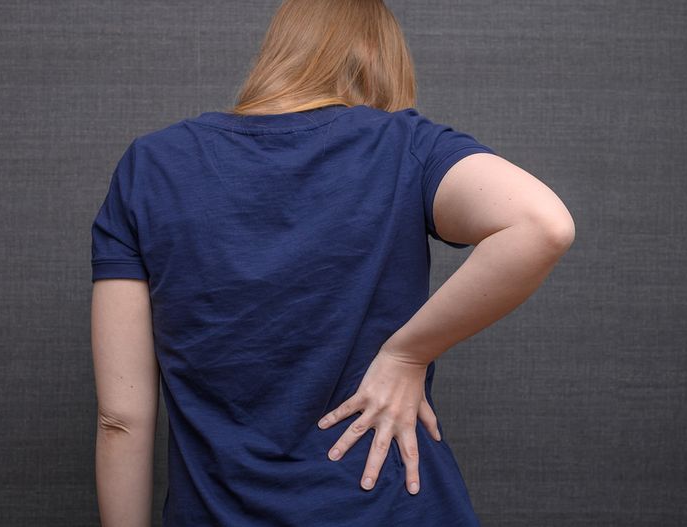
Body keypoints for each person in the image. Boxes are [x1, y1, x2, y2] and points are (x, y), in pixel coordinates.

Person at [89, 0, 575, 525]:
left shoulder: (150, 167)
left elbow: (121, 419)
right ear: (378, 59)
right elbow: (541, 224)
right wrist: (407, 354)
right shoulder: (406, 147)